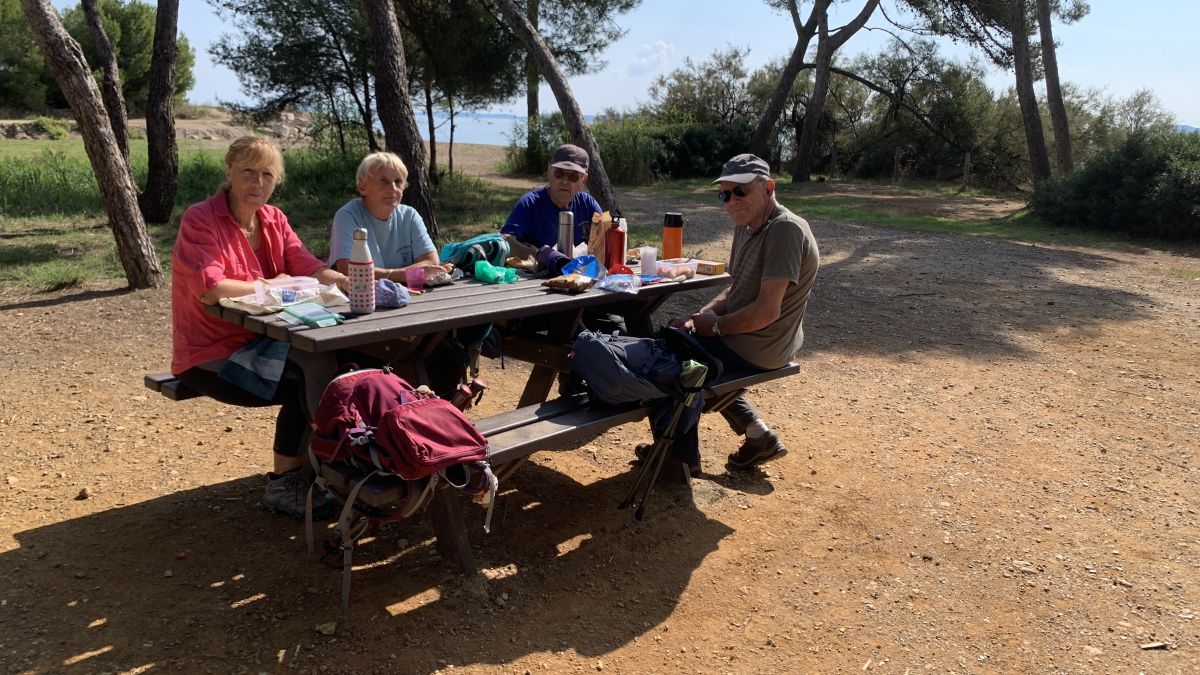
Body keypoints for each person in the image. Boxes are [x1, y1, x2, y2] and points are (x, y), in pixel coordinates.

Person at [171, 136, 348, 518]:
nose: (257, 182)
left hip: (266, 341)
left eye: (267, 174)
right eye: (248, 172)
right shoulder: (201, 218)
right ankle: (295, 481)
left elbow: (304, 263)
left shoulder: (273, 218)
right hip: (213, 352)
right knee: (315, 371)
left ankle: (329, 467)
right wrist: (272, 285)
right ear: (229, 172)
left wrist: (341, 280)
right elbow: (211, 288)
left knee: (343, 359)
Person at [669, 153, 820, 470]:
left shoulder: (785, 230)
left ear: (768, 187)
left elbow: (766, 311)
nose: (731, 201)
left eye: (740, 191)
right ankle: (758, 435)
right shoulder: (748, 225)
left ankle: (678, 458)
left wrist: (717, 327)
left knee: (679, 358)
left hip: (762, 343)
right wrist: (698, 317)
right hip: (754, 338)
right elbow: (734, 291)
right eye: (724, 194)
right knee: (683, 336)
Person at [328, 152, 445, 284]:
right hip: (360, 299)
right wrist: (402, 275)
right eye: (383, 181)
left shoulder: (409, 215)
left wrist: (385, 275)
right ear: (362, 187)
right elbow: (348, 270)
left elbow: (431, 262)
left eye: (398, 181)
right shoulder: (348, 215)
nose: (393, 189)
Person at [501, 143, 601, 252]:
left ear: (583, 181)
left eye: (573, 176)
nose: (564, 181)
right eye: (559, 173)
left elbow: (607, 238)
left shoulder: (588, 205)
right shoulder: (530, 204)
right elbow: (505, 241)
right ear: (549, 171)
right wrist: (541, 256)